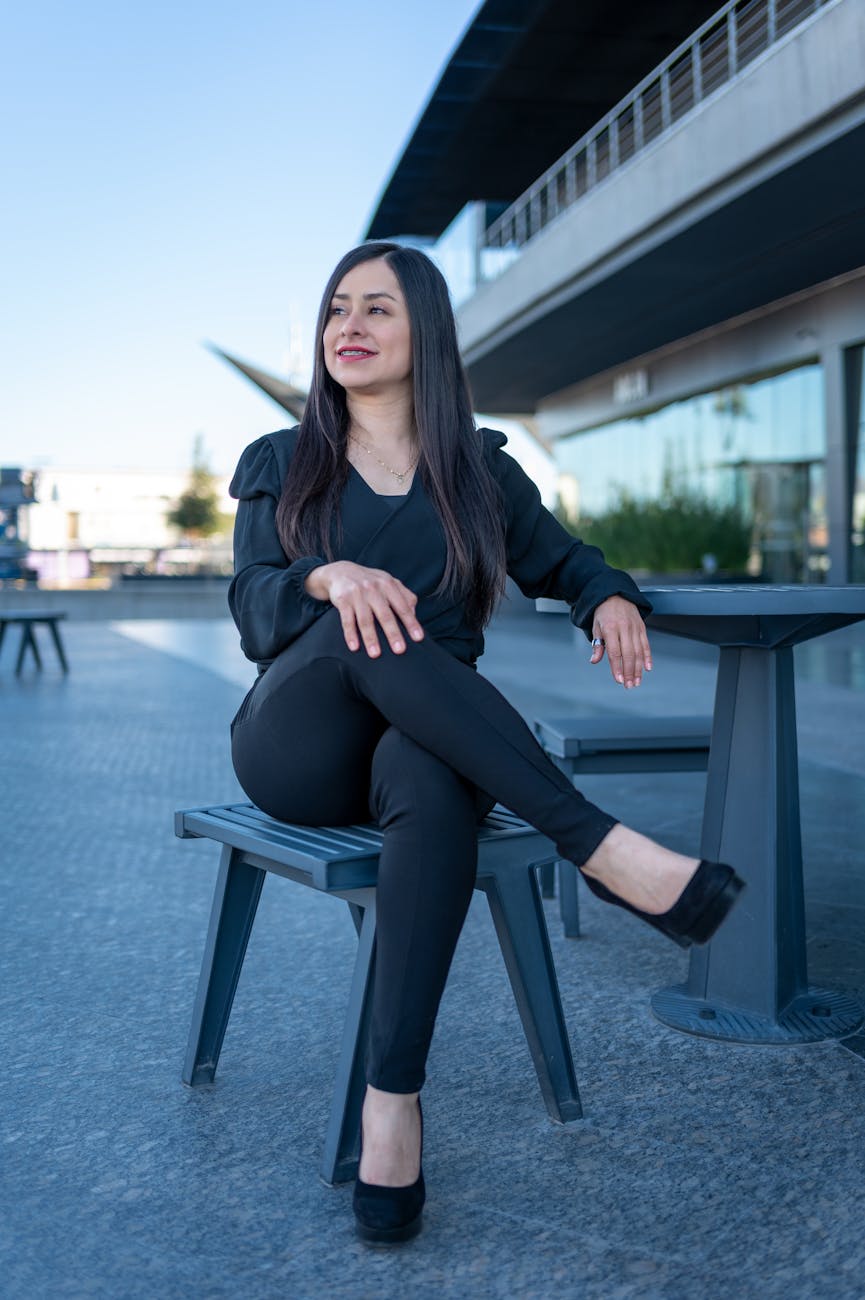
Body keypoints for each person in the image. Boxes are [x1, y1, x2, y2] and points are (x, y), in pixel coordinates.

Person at [227, 241, 744, 1246]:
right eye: (337, 309)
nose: (349, 326)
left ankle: (392, 1104)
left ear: (427, 330)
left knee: (427, 767)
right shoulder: (281, 460)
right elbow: (252, 610)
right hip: (296, 740)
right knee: (372, 616)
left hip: (424, 751)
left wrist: (608, 599)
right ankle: (599, 846)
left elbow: (571, 562)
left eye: (377, 308)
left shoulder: (479, 473)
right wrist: (327, 578)